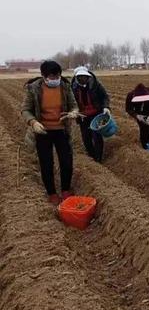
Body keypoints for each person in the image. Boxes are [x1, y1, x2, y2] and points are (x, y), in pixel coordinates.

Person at [21, 60, 79, 204]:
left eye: (57, 76)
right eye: (51, 77)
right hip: (43, 131)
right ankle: (52, 193)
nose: (55, 80)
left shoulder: (65, 86)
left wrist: (73, 112)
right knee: (46, 163)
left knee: (66, 161)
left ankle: (65, 190)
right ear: (44, 76)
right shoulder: (34, 88)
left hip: (61, 130)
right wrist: (33, 122)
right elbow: (25, 110)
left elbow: (74, 105)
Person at [71, 66, 111, 162]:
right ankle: (91, 155)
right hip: (82, 116)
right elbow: (70, 102)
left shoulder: (96, 85)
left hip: (96, 114)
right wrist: (73, 111)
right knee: (86, 138)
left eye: (84, 77)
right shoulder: (73, 88)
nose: (82, 79)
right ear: (77, 78)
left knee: (97, 136)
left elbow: (104, 97)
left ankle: (98, 158)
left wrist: (105, 107)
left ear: (88, 77)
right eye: (80, 77)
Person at [125, 83, 149, 149]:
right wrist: (137, 116)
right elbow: (128, 109)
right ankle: (145, 148)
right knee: (143, 130)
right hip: (141, 114)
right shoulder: (130, 96)